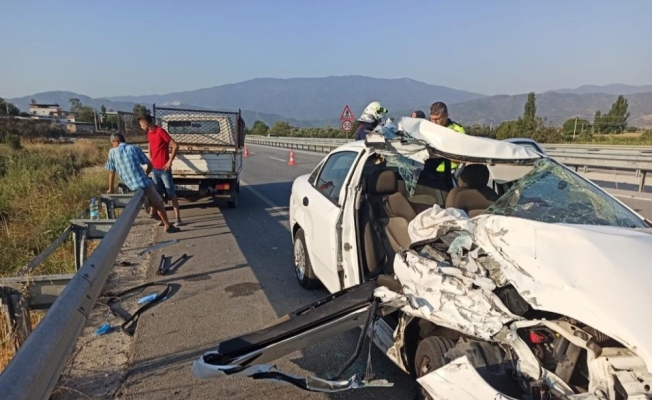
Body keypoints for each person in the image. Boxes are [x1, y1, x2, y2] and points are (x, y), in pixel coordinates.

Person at [105, 133, 180, 233]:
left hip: (131, 186)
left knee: (151, 203)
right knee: (159, 202)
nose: (112, 145)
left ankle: (154, 213)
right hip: (143, 182)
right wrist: (146, 174)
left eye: (112, 143)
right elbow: (149, 164)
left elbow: (111, 172)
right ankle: (167, 225)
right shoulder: (133, 148)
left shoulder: (112, 152)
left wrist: (110, 189)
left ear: (116, 142)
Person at [138, 114, 183, 227]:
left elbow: (175, 145)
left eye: (141, 124)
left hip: (164, 169)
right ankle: (163, 219)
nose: (141, 127)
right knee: (158, 196)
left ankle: (178, 218)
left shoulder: (160, 131)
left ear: (146, 123)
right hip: (154, 169)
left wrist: (169, 161)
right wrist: (150, 157)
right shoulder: (149, 133)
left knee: (171, 194)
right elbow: (150, 143)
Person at [429, 102, 466, 172]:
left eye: (437, 119)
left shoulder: (457, 130)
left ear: (446, 116)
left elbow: (462, 155)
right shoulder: (427, 128)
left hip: (449, 170)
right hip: (429, 168)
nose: (434, 122)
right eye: (432, 119)